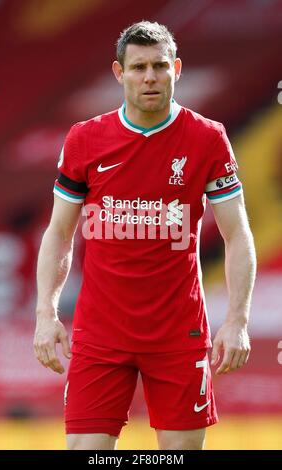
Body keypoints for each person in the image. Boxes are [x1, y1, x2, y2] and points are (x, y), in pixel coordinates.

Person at [34, 21, 256, 450]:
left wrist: (237, 320)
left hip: (178, 333)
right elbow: (59, 233)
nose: (149, 77)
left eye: (158, 66)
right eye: (138, 68)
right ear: (120, 73)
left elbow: (237, 234)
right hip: (100, 332)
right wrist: (45, 314)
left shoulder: (207, 138)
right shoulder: (85, 139)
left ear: (176, 68)